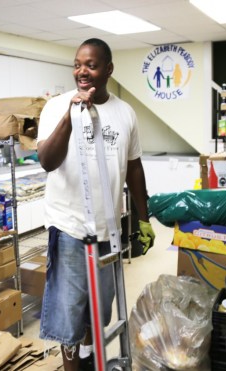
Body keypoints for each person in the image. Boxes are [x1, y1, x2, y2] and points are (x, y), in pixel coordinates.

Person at [36, 38, 155, 371]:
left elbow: (134, 166)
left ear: (108, 69)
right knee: (68, 312)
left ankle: (89, 358)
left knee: (99, 311)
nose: (82, 71)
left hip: (108, 227)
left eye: (91, 65)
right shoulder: (57, 106)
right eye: (77, 64)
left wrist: (144, 219)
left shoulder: (124, 112)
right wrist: (70, 117)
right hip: (69, 224)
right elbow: (46, 160)